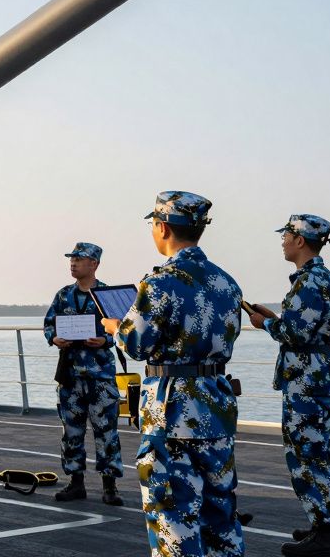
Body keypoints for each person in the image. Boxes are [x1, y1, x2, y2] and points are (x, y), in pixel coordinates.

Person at [102, 191, 244, 557]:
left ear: (163, 227)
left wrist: (116, 328)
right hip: (216, 403)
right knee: (220, 516)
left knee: (172, 516)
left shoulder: (160, 283)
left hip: (172, 411)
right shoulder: (228, 283)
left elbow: (136, 345)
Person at [246, 214, 330, 556]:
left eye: (286, 236)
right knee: (326, 452)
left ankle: (325, 534)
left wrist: (264, 324)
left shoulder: (308, 282)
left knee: (307, 455)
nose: (283, 242)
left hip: (307, 381)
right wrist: (276, 319)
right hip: (323, 377)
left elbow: (295, 334)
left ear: (300, 240)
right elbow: (309, 328)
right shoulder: (325, 279)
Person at [43, 241, 123, 505]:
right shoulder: (63, 295)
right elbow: (49, 324)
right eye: (72, 259)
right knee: (71, 431)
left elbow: (124, 330)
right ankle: (75, 483)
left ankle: (110, 486)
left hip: (100, 375)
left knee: (107, 431)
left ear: (94, 264)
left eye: (79, 259)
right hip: (70, 375)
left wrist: (105, 340)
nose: (73, 263)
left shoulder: (108, 296)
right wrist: (54, 338)